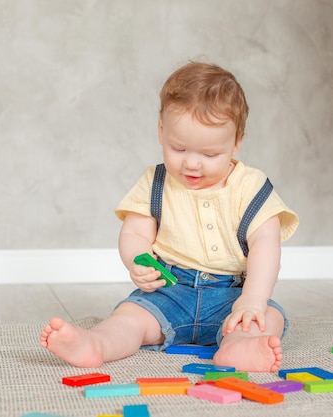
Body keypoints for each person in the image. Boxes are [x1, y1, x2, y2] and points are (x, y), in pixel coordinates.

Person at [40, 62, 298, 372]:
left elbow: (265, 244)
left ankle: (238, 348)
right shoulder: (155, 182)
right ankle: (96, 344)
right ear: (162, 131)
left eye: (210, 154)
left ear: (237, 140)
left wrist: (253, 300)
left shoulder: (251, 186)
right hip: (169, 289)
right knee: (130, 317)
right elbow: (134, 233)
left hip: (231, 296)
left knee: (267, 317)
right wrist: (137, 260)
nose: (191, 163)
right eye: (178, 148)